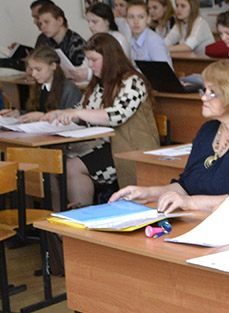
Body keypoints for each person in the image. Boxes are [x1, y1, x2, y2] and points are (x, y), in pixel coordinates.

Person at [111, 59, 229, 213]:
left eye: (212, 92)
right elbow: (185, 186)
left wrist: (190, 202)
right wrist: (147, 193)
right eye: (204, 90)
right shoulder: (208, 130)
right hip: (201, 219)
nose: (203, 98)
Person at [43, 34, 159, 205]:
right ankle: (58, 217)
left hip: (127, 148)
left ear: (110, 58)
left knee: (71, 167)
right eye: (88, 60)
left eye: (94, 60)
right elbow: (81, 109)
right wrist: (59, 114)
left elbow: (116, 115)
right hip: (102, 145)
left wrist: (78, 113)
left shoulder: (133, 82)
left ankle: (82, 215)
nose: (89, 65)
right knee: (54, 163)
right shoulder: (99, 83)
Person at [0, 46, 81, 121]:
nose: (33, 74)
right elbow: (34, 112)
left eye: (38, 69)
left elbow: (73, 120)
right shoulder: (39, 85)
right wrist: (18, 113)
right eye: (32, 69)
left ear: (53, 66)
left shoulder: (70, 90)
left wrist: (43, 116)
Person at [35, 2, 86, 67]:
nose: (42, 27)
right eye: (41, 23)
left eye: (46, 22)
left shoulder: (77, 44)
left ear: (60, 21)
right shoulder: (45, 41)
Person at [127, 0, 173, 67]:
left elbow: (165, 72)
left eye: (140, 17)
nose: (135, 22)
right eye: (131, 17)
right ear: (126, 20)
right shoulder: (132, 40)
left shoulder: (153, 40)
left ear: (148, 19)